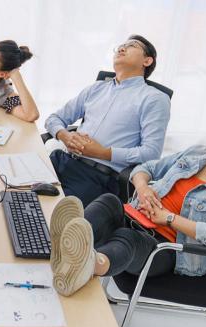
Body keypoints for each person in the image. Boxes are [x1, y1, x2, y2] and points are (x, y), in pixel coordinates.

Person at [47, 104, 206, 296]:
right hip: (137, 217)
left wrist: (169, 219)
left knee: (127, 238)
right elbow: (145, 168)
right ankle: (63, 242)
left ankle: (88, 265)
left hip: (166, 249)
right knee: (109, 201)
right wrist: (144, 188)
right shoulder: (196, 154)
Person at [44, 34, 171, 206]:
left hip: (96, 178)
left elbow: (151, 153)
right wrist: (64, 136)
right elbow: (54, 118)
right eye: (120, 46)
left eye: (131, 45)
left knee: (50, 214)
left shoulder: (154, 98)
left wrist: (103, 152)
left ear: (147, 61)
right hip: (62, 160)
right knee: (14, 188)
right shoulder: (96, 88)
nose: (121, 48)